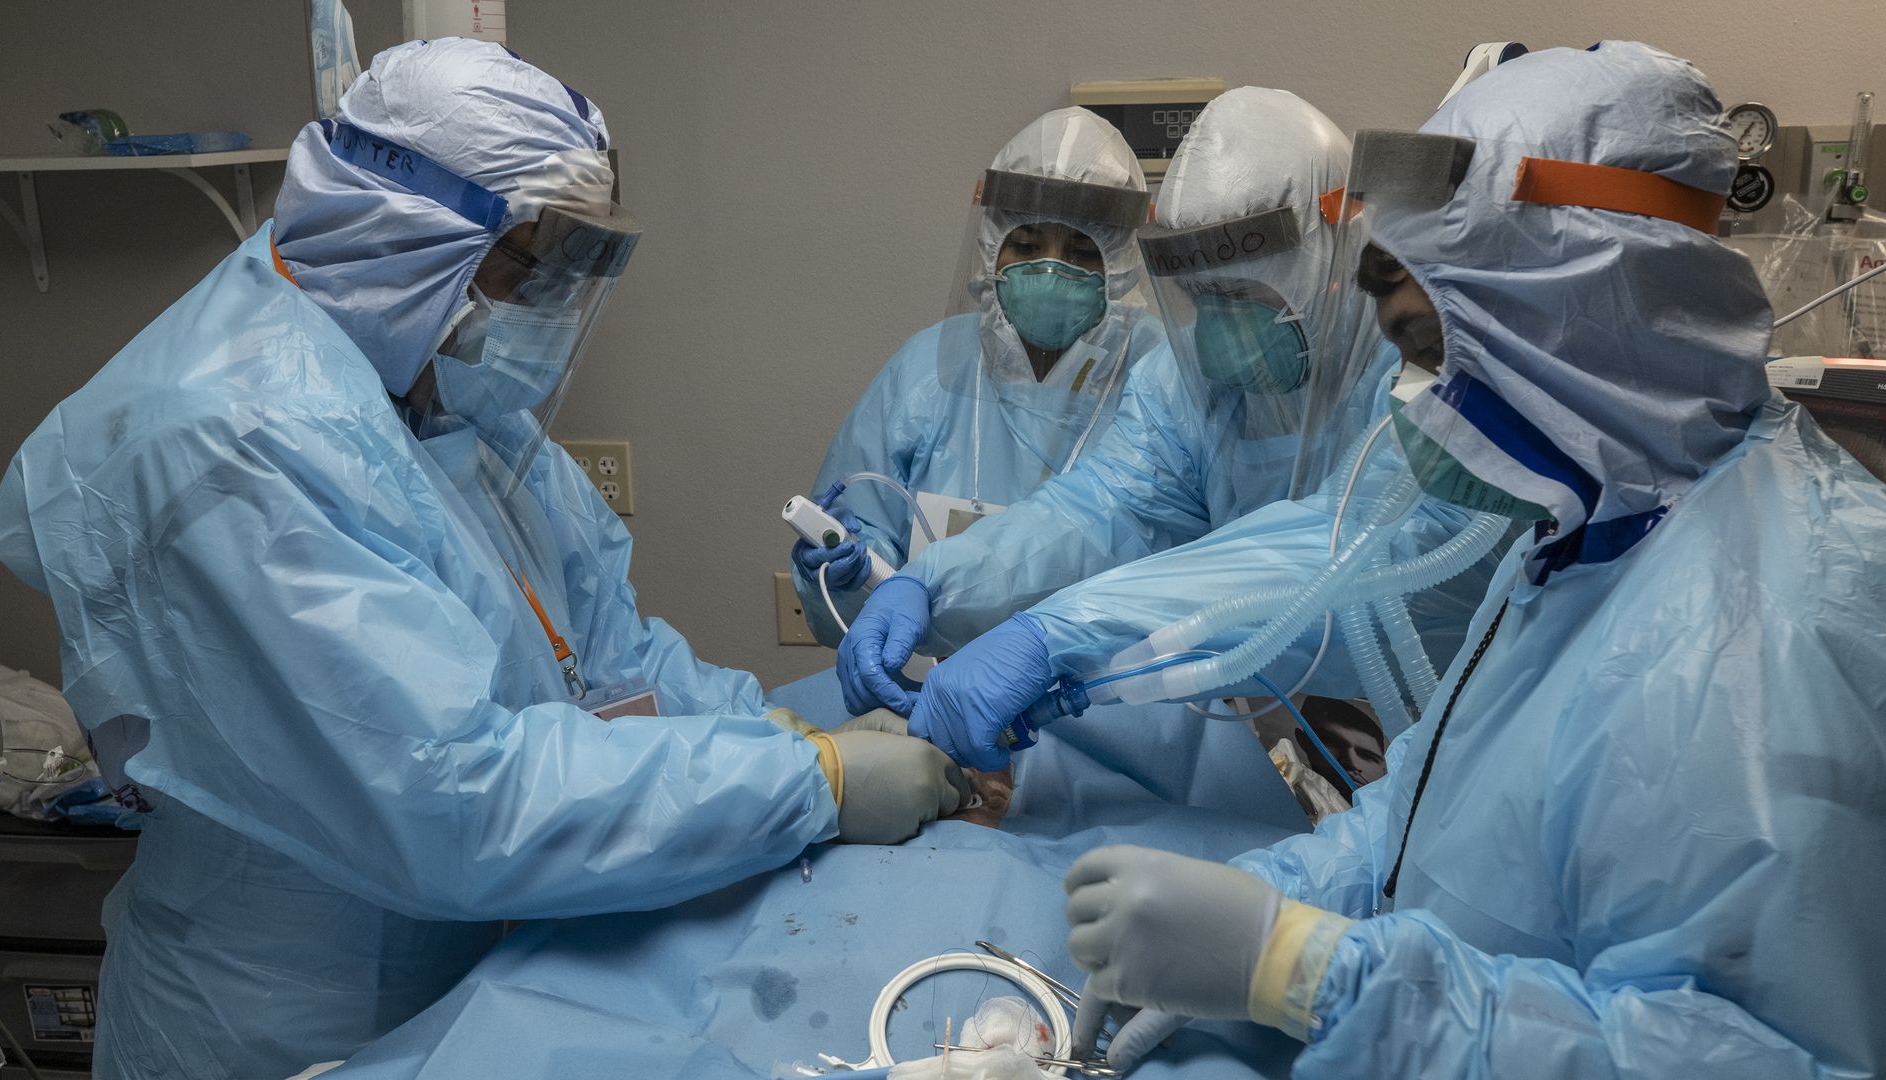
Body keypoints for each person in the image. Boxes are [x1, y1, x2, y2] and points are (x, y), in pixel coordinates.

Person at [0, 40, 968, 1080]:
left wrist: (775, 732)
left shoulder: (447, 398)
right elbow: (448, 797)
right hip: (288, 1018)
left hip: (478, 966)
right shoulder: (232, 441)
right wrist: (806, 782)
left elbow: (615, 662)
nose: (554, 301)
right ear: (404, 230)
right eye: (538, 262)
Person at [1060, 41, 1886, 1076]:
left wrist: (1314, 976)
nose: (1413, 407)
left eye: (1429, 349)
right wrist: (1277, 904)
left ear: (1571, 321)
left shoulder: (1763, 637)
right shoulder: (1585, 540)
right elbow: (1427, 813)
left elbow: (1750, 1055)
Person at [840, 88, 1500, 770]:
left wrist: (1056, 637)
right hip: (1275, 727)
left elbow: (1349, 558)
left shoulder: (1429, 372)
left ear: (1330, 266)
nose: (1218, 328)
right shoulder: (1187, 387)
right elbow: (1102, 509)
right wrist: (936, 581)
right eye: (1202, 299)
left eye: (1240, 297)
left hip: (1454, 738)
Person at [790, 107, 1162, 645]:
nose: (1051, 270)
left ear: (1120, 261)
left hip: (1111, 686)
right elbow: (864, 535)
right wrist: (845, 576)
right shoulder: (928, 369)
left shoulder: (1158, 376)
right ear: (991, 246)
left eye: (1082, 250)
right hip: (930, 680)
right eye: (1027, 246)